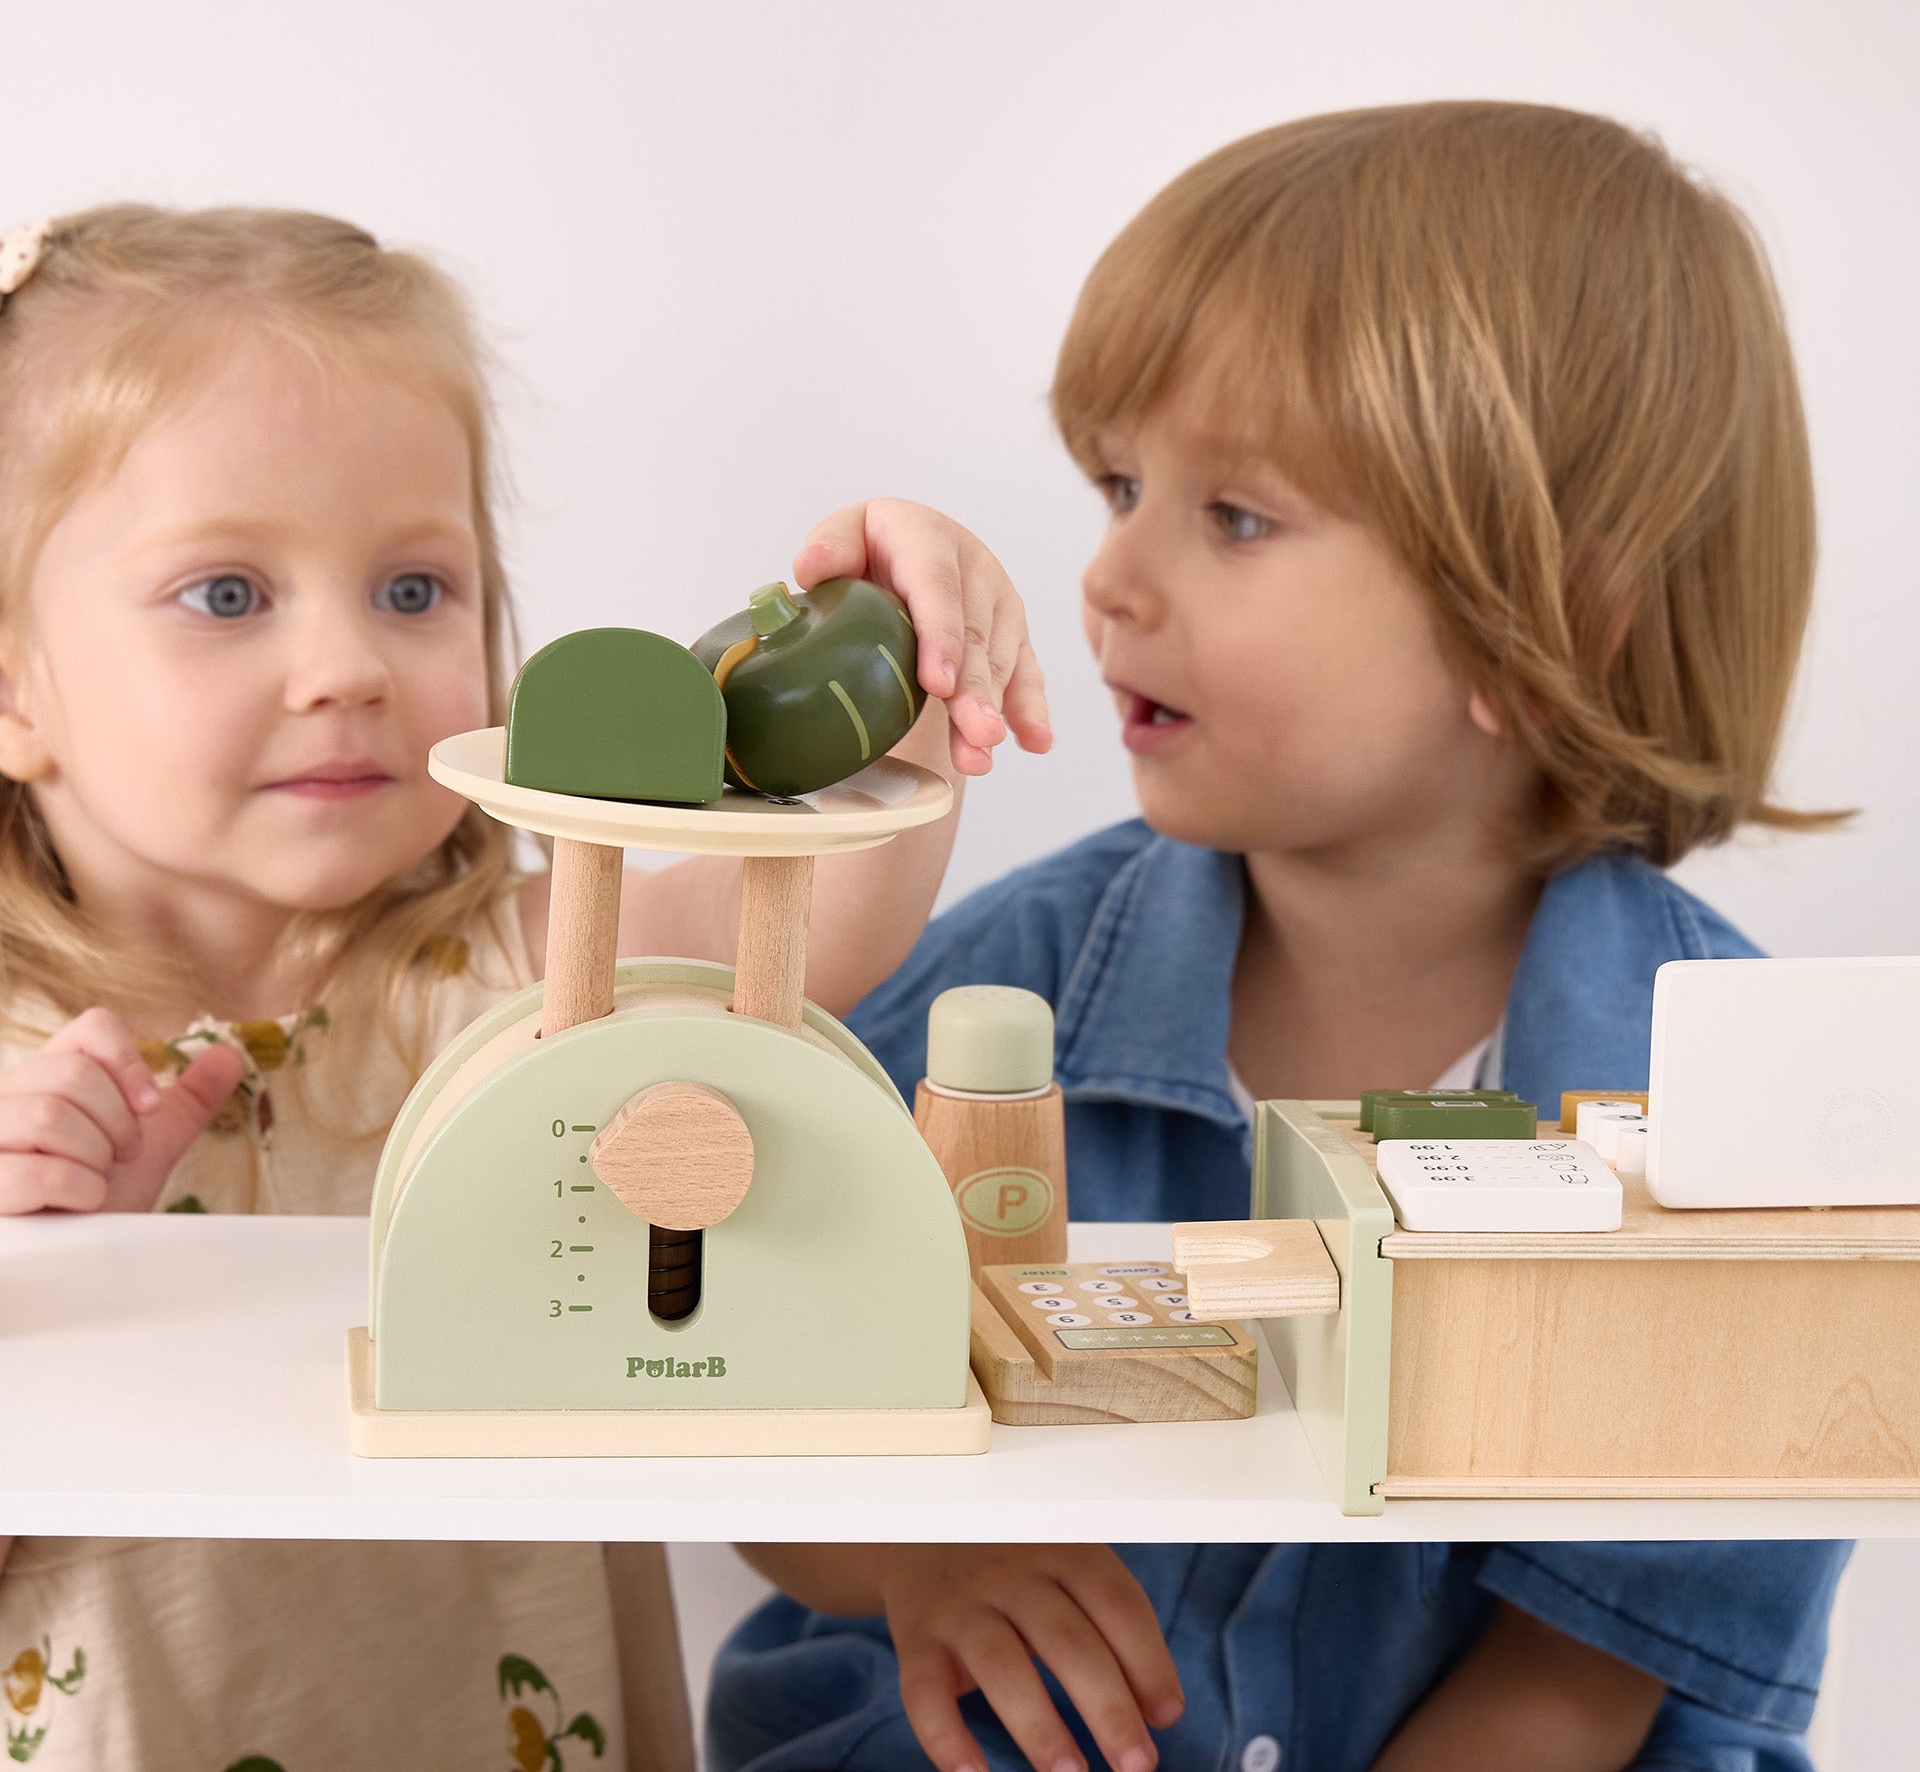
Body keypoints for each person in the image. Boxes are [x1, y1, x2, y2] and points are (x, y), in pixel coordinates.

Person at [709, 105, 1852, 1772]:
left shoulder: (1745, 1126)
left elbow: (1576, 1684)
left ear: (1544, 621)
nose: (1108, 576)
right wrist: (912, 1556)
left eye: (1235, 515)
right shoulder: (1000, 993)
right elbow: (732, 1387)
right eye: (1121, 487)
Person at [0, 203, 1049, 1769]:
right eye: (227, 594)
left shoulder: (525, 972)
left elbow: (804, 920)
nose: (348, 665)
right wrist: (46, 1263)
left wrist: (899, 657)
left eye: (414, 590)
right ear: (11, 683)